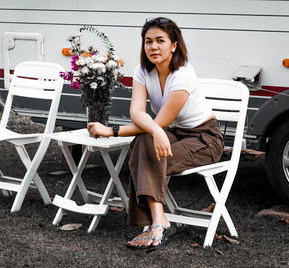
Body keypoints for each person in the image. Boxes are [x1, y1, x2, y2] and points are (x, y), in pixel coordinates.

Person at [87, 17, 224, 252]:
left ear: (174, 45)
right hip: (172, 133)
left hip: (205, 139)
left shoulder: (183, 75)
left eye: (160, 41)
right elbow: (137, 113)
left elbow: (158, 122)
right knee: (143, 141)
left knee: (146, 152)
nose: (153, 47)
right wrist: (156, 131)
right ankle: (159, 218)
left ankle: (156, 222)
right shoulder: (142, 70)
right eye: (148, 41)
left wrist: (111, 131)